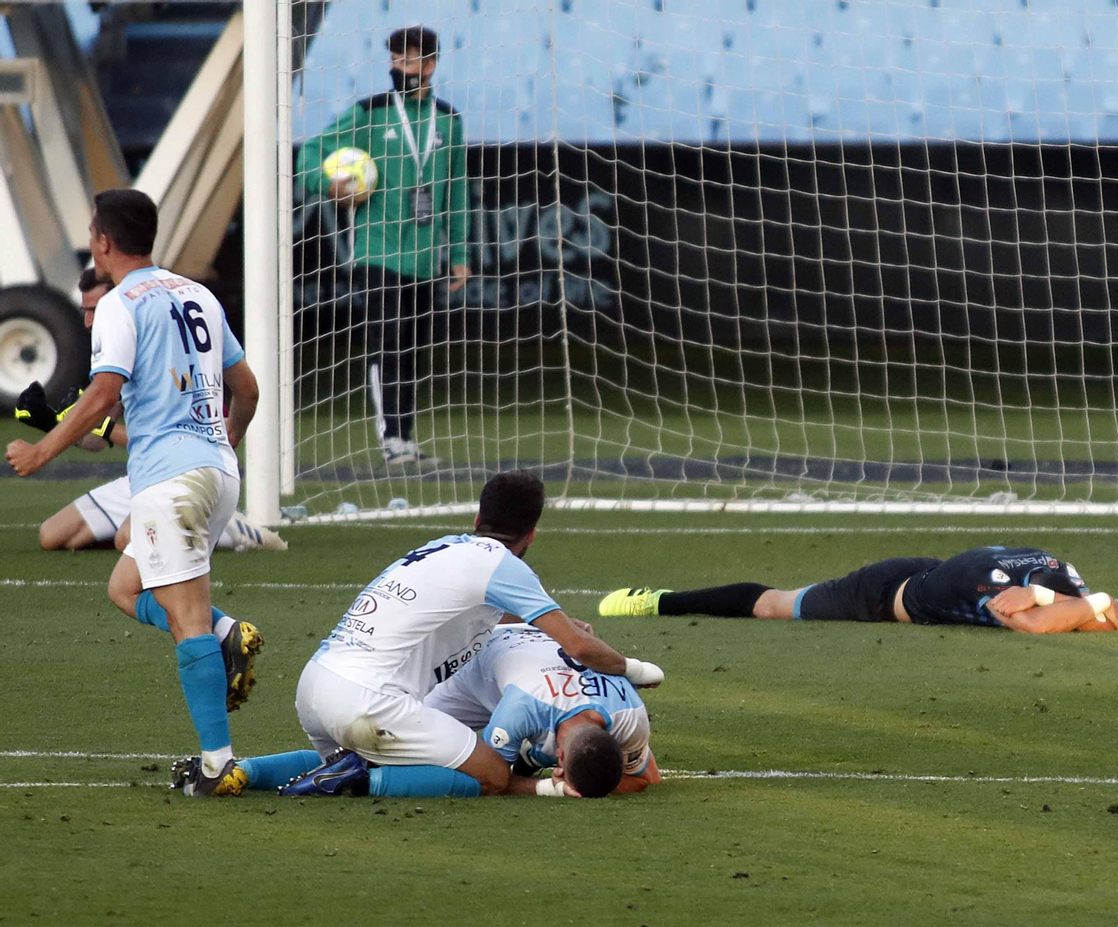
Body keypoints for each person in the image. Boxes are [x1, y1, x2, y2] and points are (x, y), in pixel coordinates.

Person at [176, 471, 667, 799]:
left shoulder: (443, 548)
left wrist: (549, 625)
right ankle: (358, 784)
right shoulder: (504, 566)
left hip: (316, 686)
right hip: (369, 700)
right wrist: (640, 670)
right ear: (531, 536)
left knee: (363, 756)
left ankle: (240, 772)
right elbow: (578, 648)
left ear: (478, 520)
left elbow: (480, 616)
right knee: (493, 774)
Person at [6, 189, 265, 797]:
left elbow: (100, 395)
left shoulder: (122, 304)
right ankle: (228, 634)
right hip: (216, 472)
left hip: (169, 482)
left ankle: (215, 766)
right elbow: (246, 388)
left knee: (186, 618)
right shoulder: (196, 292)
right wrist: (223, 446)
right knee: (125, 586)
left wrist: (42, 451)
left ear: (102, 241)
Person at [294, 24, 470, 467]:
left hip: (425, 255)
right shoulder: (370, 113)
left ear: (430, 65)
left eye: (409, 60)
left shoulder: (448, 121)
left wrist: (461, 254)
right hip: (377, 251)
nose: (400, 67)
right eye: (395, 59)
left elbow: (457, 192)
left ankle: (406, 436)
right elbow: (310, 153)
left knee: (413, 346)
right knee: (386, 341)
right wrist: (328, 184)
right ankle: (390, 435)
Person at [16, 269, 286, 553]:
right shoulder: (117, 345)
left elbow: (161, 436)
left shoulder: (152, 343)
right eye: (85, 310)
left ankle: (229, 529)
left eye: (95, 309)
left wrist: (58, 442)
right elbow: (99, 439)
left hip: (184, 470)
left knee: (128, 544)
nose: (88, 321)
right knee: (54, 535)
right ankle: (189, 530)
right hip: (148, 472)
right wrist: (52, 422)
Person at [597, 546, 1118, 633]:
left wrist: (1087, 603)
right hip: (880, 592)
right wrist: (1083, 607)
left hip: (933, 576)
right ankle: (656, 600)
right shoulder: (1000, 587)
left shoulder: (1060, 570)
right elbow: (1034, 625)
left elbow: (1107, 615)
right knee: (775, 606)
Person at [422, 620, 661, 798]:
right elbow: (491, 779)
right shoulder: (521, 710)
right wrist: (550, 788)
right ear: (561, 756)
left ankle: (532, 753)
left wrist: (582, 782)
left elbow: (648, 779)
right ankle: (532, 753)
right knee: (402, 740)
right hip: (479, 655)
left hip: (540, 644)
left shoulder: (631, 714)